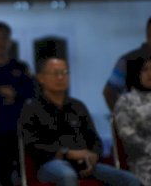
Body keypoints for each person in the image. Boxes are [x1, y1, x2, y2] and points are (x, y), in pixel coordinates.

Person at [20, 57, 140, 186]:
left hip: (84, 163)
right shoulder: (31, 108)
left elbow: (95, 140)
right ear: (41, 78)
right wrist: (67, 153)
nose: (60, 77)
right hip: (50, 164)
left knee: (129, 180)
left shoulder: (78, 106)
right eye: (55, 73)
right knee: (67, 175)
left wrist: (93, 156)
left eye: (65, 72)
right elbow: (32, 145)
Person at [0, 21, 36, 186]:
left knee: (20, 176)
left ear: (9, 41)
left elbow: (31, 93)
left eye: (4, 38)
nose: (0, 42)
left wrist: (15, 94)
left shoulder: (20, 67)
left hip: (18, 131)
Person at [114, 56, 151, 185]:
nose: (150, 74)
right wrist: (148, 147)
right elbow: (126, 133)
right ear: (136, 72)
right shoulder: (126, 101)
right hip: (142, 159)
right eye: (145, 70)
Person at [103, 17, 151, 111]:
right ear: (148, 35)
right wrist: (119, 118)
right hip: (136, 120)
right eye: (145, 70)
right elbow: (109, 93)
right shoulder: (128, 60)